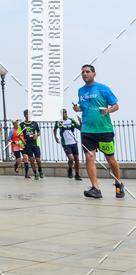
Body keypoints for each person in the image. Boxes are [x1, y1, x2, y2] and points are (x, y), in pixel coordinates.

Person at [74, 64, 124, 199]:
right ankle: (95, 188)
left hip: (104, 130)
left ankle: (119, 184)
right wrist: (77, 108)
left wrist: (108, 110)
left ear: (94, 74)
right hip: (87, 130)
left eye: (87, 71)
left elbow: (116, 105)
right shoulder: (81, 91)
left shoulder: (103, 88)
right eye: (83, 72)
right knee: (89, 158)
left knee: (110, 159)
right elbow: (85, 107)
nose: (84, 74)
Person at [54, 109, 82, 180]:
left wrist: (80, 121)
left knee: (77, 159)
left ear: (66, 113)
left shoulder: (71, 120)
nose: (64, 115)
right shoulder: (59, 122)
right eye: (62, 114)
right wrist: (56, 137)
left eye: (65, 113)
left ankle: (77, 175)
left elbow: (80, 128)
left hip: (73, 142)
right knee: (71, 158)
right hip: (65, 143)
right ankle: (70, 169)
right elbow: (55, 129)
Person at [20, 110, 42, 179]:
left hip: (35, 145)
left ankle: (40, 171)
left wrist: (36, 135)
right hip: (27, 145)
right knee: (32, 160)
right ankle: (35, 174)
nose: (27, 116)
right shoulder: (21, 124)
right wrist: (22, 140)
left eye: (28, 114)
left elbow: (39, 132)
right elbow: (19, 134)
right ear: (24, 115)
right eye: (26, 114)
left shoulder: (34, 123)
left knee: (38, 160)